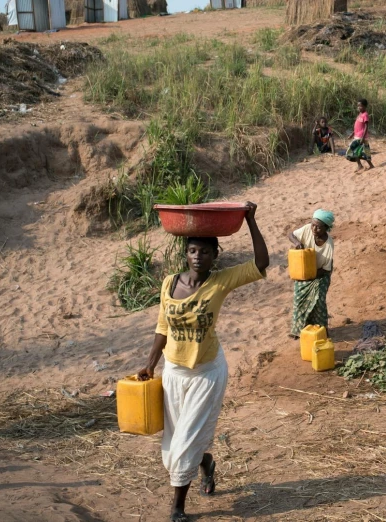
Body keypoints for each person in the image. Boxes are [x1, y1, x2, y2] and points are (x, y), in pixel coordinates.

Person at [136, 203, 269, 522]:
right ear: (186, 254)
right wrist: (150, 364)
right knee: (173, 444)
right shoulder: (169, 284)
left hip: (207, 374)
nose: (198, 256)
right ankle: (206, 463)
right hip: (174, 374)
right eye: (193, 250)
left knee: (183, 445)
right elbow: (163, 327)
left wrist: (250, 220)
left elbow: (261, 263)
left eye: (205, 252)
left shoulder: (221, 282)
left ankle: (177, 508)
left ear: (215, 256)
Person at [288, 210, 335, 338]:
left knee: (318, 300)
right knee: (299, 299)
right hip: (304, 271)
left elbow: (326, 269)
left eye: (318, 227)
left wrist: (309, 274)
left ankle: (321, 330)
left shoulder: (328, 245)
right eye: (313, 224)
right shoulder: (307, 229)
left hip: (321, 274)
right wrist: (297, 243)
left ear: (326, 228)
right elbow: (291, 234)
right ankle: (299, 330)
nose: (314, 228)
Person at [346, 99, 375, 171]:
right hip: (357, 136)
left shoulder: (365, 115)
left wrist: (362, 137)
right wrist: (352, 134)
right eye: (358, 106)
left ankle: (359, 165)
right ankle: (370, 165)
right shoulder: (360, 114)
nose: (359, 107)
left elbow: (366, 127)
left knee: (353, 150)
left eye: (360, 106)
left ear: (365, 106)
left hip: (361, 137)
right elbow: (357, 126)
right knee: (364, 152)